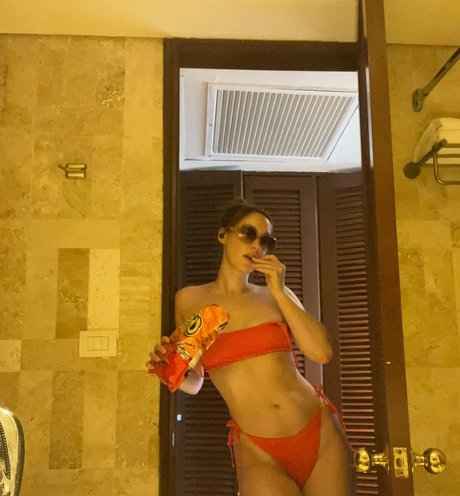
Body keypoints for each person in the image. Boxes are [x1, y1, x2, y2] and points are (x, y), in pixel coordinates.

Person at [147, 198, 355, 496]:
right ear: (223, 235)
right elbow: (195, 382)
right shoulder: (189, 300)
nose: (257, 245)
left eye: (266, 241)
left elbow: (321, 352)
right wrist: (169, 369)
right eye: (248, 233)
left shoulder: (275, 295)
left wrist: (278, 290)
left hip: (318, 431)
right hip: (259, 450)